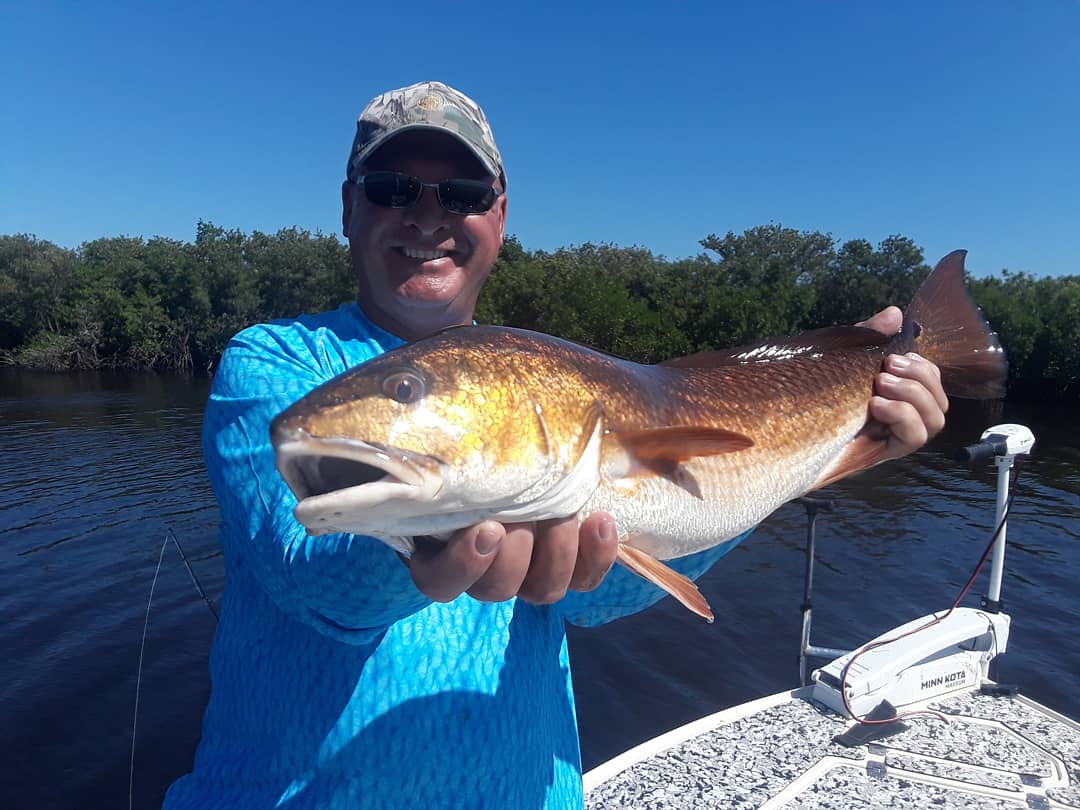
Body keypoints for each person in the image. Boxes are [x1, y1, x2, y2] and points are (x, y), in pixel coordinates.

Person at [164, 81, 949, 809]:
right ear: (348, 208)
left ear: (498, 218)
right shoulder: (274, 366)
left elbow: (600, 594)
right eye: (392, 188)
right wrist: (418, 553)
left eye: (462, 194)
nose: (427, 216)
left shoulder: (557, 376)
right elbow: (308, 577)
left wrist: (828, 450)